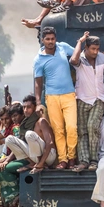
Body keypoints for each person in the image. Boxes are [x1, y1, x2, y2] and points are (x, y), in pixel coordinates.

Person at [70, 31, 104, 172]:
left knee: (92, 127)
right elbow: (73, 61)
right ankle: (83, 161)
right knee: (82, 131)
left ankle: (94, 160)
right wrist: (79, 41)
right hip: (82, 98)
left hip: (99, 99)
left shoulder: (102, 58)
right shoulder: (80, 59)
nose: (95, 52)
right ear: (86, 48)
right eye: (92, 49)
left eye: (97, 49)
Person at [34, 27, 78, 169]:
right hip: (51, 97)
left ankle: (72, 157)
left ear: (55, 39)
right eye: (47, 39)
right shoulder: (38, 59)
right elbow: (38, 82)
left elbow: (79, 55)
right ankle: (63, 160)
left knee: (71, 127)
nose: (50, 41)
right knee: (58, 129)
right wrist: (38, 103)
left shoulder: (63, 47)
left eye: (52, 39)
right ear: (42, 40)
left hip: (69, 95)